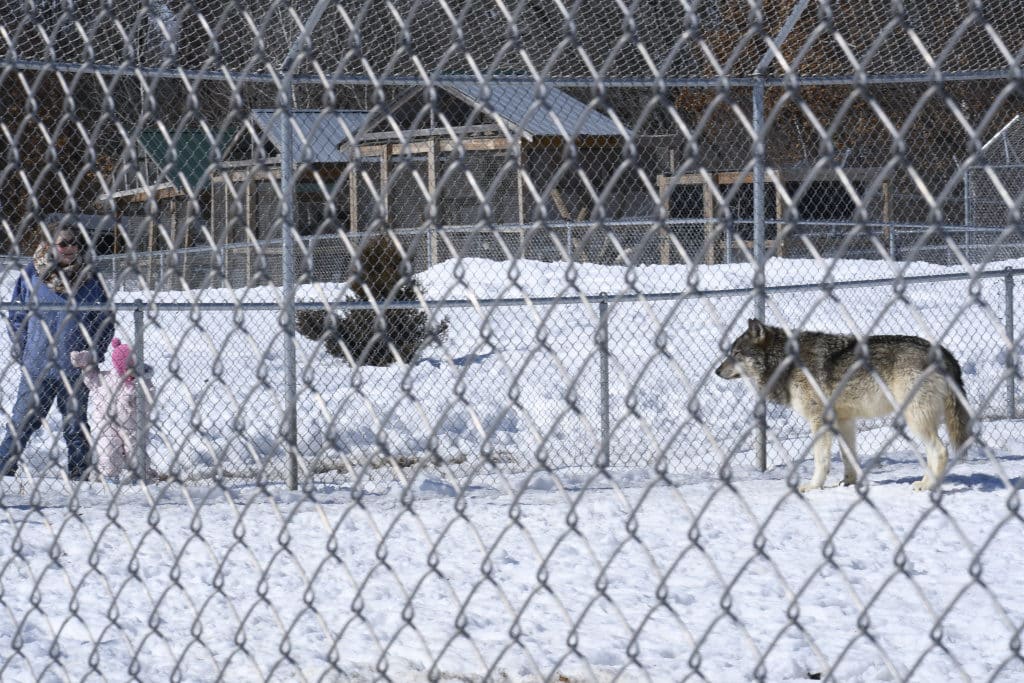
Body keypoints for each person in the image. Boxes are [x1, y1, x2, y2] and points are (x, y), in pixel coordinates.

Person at [0, 226, 114, 480]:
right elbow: (17, 316)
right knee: (21, 424)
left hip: (74, 367)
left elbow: (105, 319)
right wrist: (23, 349)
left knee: (76, 426)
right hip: (37, 366)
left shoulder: (90, 277)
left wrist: (93, 353)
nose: (71, 248)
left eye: (76, 243)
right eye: (64, 244)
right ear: (49, 245)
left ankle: (79, 475)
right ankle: (4, 470)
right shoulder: (31, 274)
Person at [70, 338, 155, 481]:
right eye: (129, 367)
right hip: (108, 425)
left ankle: (144, 477)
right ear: (120, 366)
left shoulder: (143, 382)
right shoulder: (106, 378)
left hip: (133, 426)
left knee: (136, 455)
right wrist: (85, 363)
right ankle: (109, 479)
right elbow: (90, 378)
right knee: (107, 453)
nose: (132, 371)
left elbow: (148, 402)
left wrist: (135, 392)